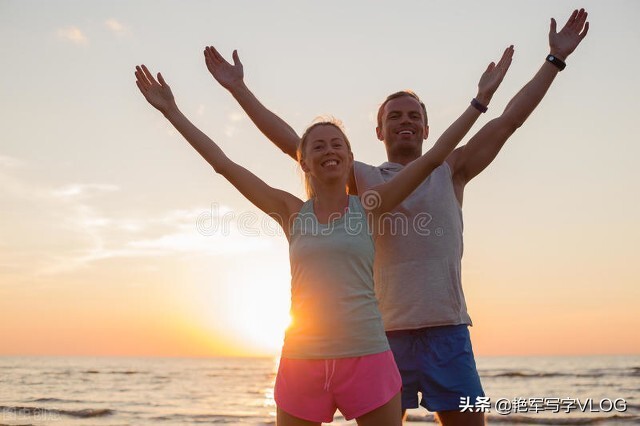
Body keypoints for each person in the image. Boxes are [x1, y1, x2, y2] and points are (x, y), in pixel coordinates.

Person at [202, 8, 588, 425]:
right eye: (395, 117)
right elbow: (294, 144)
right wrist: (239, 90)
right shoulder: (360, 178)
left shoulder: (451, 168)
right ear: (378, 133)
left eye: (415, 117)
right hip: (380, 338)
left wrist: (554, 61)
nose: (406, 121)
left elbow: (509, 120)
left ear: (426, 130)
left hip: (448, 330)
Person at [134, 45, 510, 425]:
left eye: (337, 144)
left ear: (350, 158)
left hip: (369, 355)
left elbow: (434, 157)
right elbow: (223, 164)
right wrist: (173, 111)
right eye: (318, 145)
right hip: (302, 358)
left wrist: (480, 101)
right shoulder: (291, 212)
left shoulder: (371, 206)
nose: (329, 149)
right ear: (303, 159)